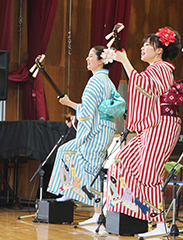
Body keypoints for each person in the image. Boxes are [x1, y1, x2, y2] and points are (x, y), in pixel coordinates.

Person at [105, 27, 183, 237]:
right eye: (143, 44)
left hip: (163, 125)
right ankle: (135, 210)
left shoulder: (163, 68)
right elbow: (143, 85)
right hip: (153, 126)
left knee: (149, 172)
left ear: (159, 50)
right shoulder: (155, 68)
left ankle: (159, 223)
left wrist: (125, 61)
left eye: (148, 44)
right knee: (121, 161)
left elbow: (145, 87)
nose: (143, 47)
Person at [47, 46, 124, 225]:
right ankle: (70, 190)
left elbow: (88, 111)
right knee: (69, 153)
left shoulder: (96, 82)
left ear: (101, 61)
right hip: (104, 128)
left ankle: (94, 209)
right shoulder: (108, 82)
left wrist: (68, 103)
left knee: (89, 166)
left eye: (91, 56)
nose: (87, 59)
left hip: (95, 131)